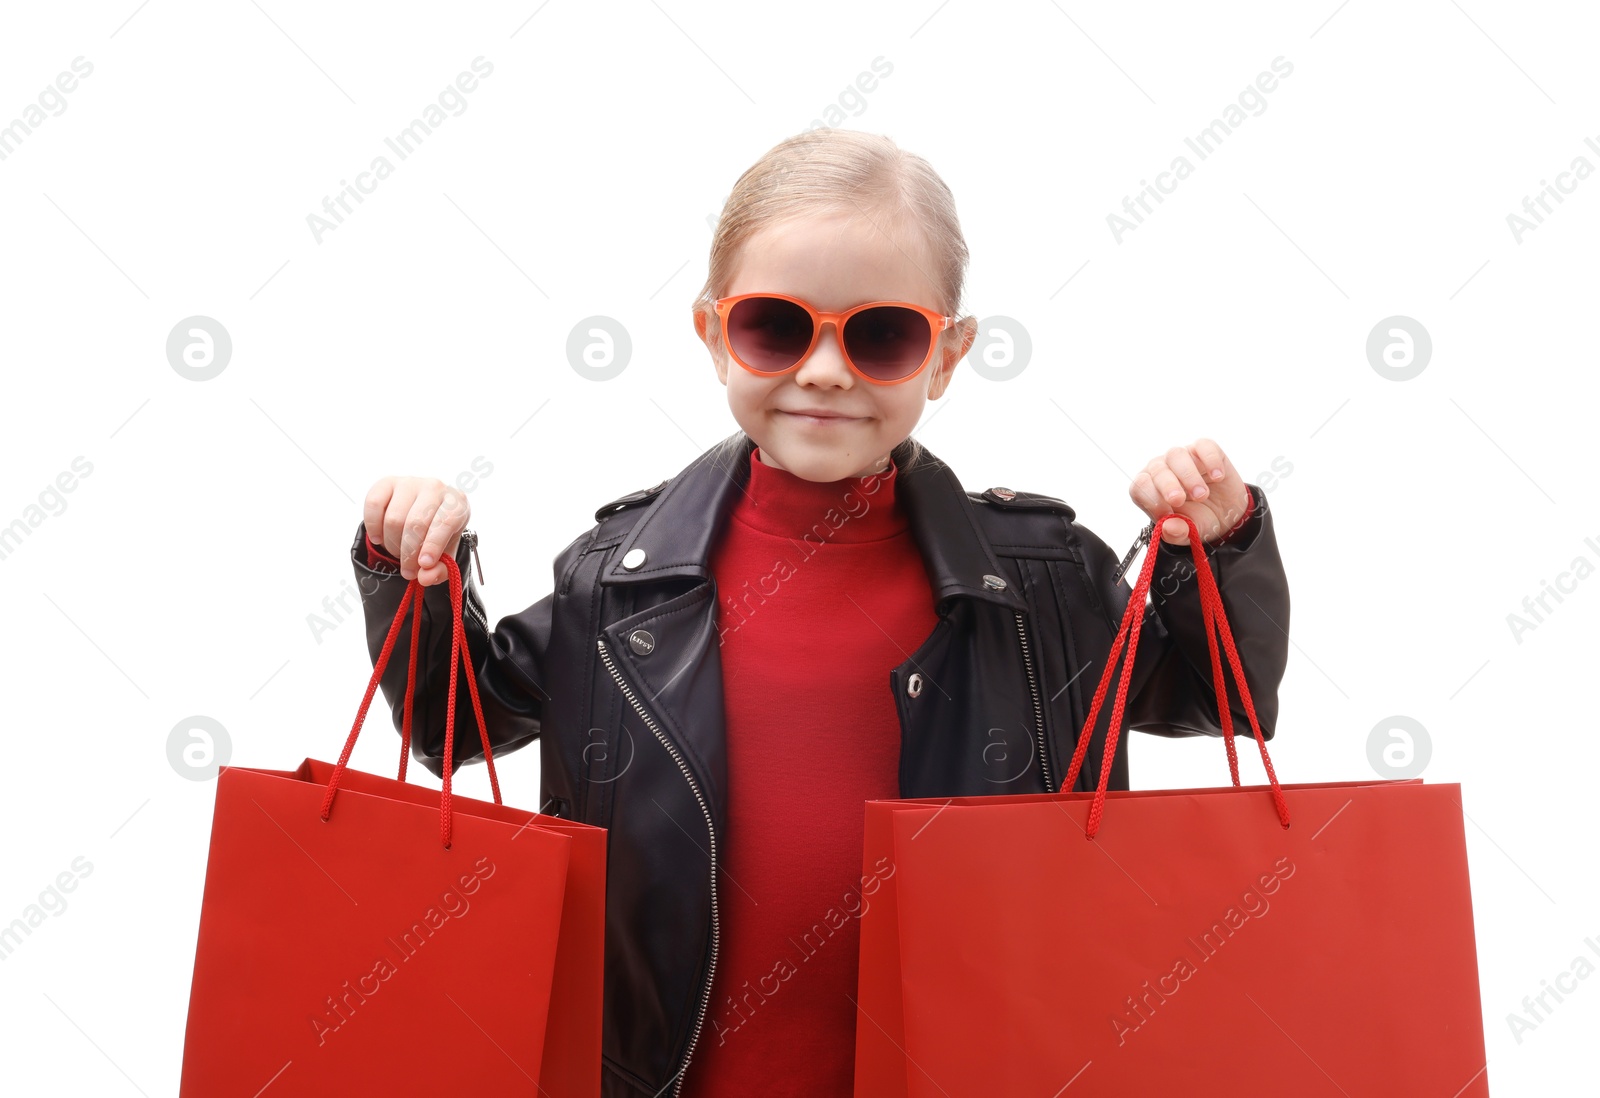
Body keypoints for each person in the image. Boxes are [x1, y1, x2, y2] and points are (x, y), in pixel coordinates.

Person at [350, 128, 1290, 1098]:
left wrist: (1215, 552)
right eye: (776, 328)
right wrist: (410, 568)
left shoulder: (1041, 579)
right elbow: (453, 722)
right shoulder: (615, 584)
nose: (828, 370)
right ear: (714, 336)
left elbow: (1220, 701)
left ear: (949, 354)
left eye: (882, 334)